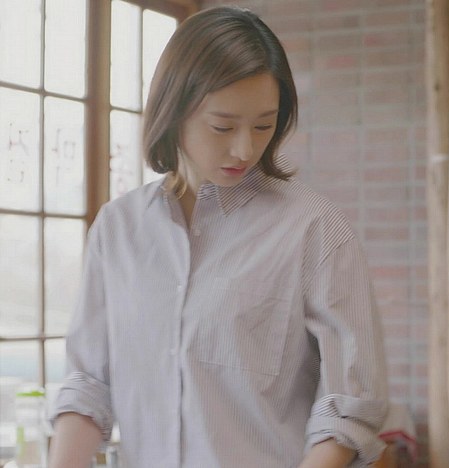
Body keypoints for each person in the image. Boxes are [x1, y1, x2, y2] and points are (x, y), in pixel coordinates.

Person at [47, 6, 388, 468]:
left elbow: (348, 409)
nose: (245, 148)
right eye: (223, 126)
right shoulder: (118, 229)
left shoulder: (315, 229)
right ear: (174, 112)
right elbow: (89, 384)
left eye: (264, 125)